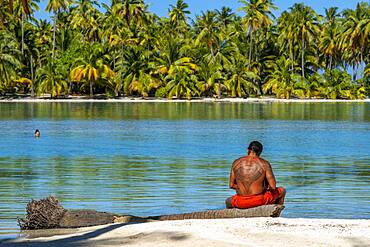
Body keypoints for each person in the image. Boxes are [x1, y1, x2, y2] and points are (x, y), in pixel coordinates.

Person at [225, 141, 286, 209]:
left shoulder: (236, 162)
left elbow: (231, 185)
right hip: (258, 201)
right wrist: (262, 188)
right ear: (260, 152)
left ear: (248, 150)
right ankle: (274, 212)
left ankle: (233, 214)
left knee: (228, 201)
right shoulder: (264, 163)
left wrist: (241, 187)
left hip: (240, 202)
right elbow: (273, 186)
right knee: (282, 190)